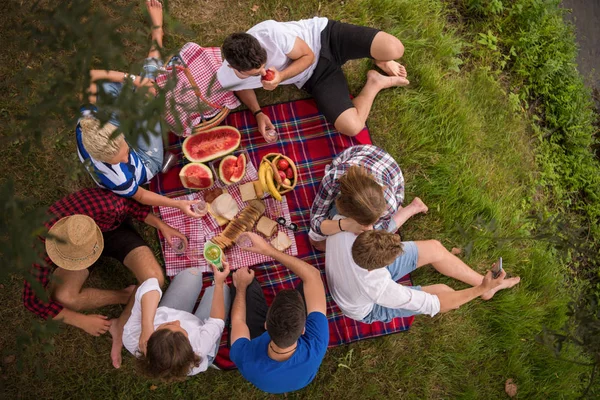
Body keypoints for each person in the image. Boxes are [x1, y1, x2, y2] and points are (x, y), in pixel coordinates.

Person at [77, 0, 202, 217]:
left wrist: (135, 80)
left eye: (124, 152)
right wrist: (180, 204)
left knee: (108, 87)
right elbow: (142, 196)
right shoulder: (118, 178)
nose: (125, 160)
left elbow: (91, 77)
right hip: (146, 160)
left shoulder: (87, 123)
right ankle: (157, 33)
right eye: (122, 159)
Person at [22, 188, 186, 338]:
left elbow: (130, 206)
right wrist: (80, 320)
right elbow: (32, 300)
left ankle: (121, 323)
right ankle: (125, 296)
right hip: (80, 250)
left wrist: (161, 225)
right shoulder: (39, 253)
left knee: (154, 279)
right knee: (64, 297)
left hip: (113, 232)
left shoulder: (105, 205)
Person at [218, 18, 409, 138]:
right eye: (255, 73)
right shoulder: (227, 77)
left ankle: (381, 60)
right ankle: (375, 82)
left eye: (263, 66)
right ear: (233, 67)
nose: (263, 73)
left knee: (395, 48)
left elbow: (308, 56)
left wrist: (282, 76)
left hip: (323, 37)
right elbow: (241, 86)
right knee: (352, 127)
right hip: (315, 76)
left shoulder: (271, 33)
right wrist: (258, 112)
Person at [325, 228, 521, 323]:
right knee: (445, 293)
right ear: (379, 268)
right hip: (366, 307)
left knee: (435, 248)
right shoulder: (380, 289)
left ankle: (487, 285)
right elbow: (436, 304)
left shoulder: (346, 227)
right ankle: (487, 289)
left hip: (353, 272)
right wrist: (480, 290)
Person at [228, 233, 329, 394]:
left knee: (241, 285)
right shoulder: (317, 342)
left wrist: (241, 287)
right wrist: (270, 250)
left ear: (266, 325)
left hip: (263, 364)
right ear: (303, 329)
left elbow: (238, 320)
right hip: (296, 378)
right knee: (310, 285)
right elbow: (313, 276)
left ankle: (242, 283)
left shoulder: (245, 357)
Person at [107, 263, 231, 377]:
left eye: (168, 324)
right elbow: (216, 321)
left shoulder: (132, 336)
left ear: (150, 336)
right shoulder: (199, 348)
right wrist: (219, 283)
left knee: (192, 273)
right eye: (183, 332)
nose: (177, 322)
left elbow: (151, 283)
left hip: (170, 310)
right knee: (223, 289)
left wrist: (147, 325)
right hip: (201, 326)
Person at [309, 145, 428, 251]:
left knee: (380, 233)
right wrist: (344, 224)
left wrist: (369, 230)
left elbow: (379, 228)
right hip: (361, 154)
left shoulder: (389, 203)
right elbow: (316, 219)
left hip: (390, 174)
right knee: (316, 237)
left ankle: (413, 208)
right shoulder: (332, 179)